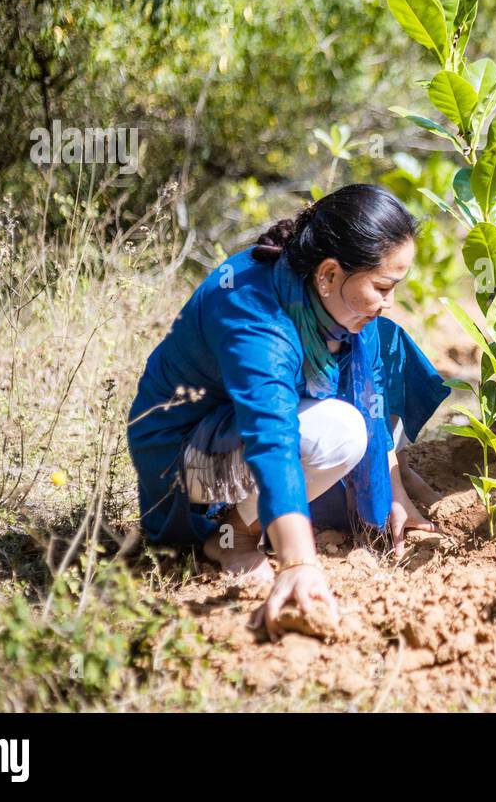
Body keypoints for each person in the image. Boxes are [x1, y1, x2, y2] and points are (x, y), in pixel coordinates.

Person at [127, 185, 440, 640]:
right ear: (330, 274)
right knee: (339, 434)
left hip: (240, 433)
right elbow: (271, 439)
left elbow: (368, 392)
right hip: (184, 456)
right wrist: (298, 563)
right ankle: (232, 536)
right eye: (382, 287)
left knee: (383, 346)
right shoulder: (253, 315)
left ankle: (260, 518)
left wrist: (395, 493)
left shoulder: (330, 302)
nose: (388, 301)